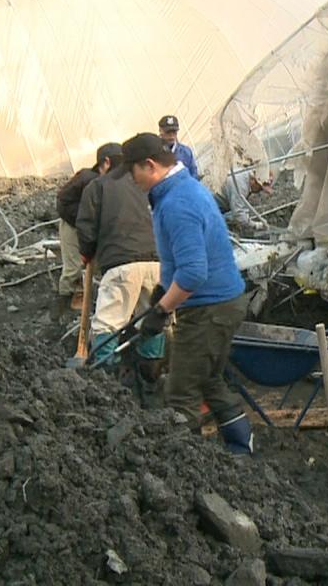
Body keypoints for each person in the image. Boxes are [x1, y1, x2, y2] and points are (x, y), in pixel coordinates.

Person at [120, 132, 253, 455]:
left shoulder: (178, 203)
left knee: (181, 392)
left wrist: (160, 312)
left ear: (149, 165)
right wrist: (163, 291)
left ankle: (187, 471)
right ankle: (240, 450)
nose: (131, 181)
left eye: (132, 172)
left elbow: (194, 272)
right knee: (209, 380)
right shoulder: (184, 189)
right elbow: (186, 260)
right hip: (223, 303)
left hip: (210, 309)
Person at [76, 147, 164, 370]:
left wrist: (87, 253)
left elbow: (86, 227)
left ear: (106, 163)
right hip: (156, 263)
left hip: (121, 263)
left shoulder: (98, 186)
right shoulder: (144, 182)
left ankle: (108, 382)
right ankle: (150, 378)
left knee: (108, 322)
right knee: (151, 320)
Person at [56, 143, 121, 311]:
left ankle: (88, 295)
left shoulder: (110, 183)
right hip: (72, 225)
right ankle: (65, 300)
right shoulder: (86, 178)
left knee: (96, 262)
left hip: (90, 226)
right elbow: (63, 200)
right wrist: (82, 219)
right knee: (73, 266)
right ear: (105, 163)